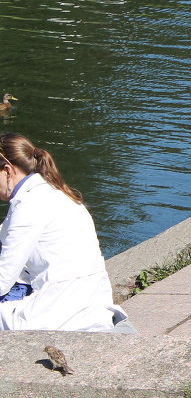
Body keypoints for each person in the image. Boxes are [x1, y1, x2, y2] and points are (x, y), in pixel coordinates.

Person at [0, 133, 131, 332]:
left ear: (7, 170)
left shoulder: (28, 206)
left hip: (59, 315)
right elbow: (8, 234)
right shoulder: (56, 193)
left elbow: (2, 280)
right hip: (92, 307)